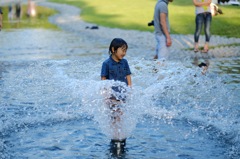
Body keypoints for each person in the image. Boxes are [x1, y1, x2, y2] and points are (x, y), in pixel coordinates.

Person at [101, 38, 132, 143]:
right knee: (114, 115)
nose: (124, 53)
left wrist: (130, 87)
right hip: (112, 95)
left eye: (125, 50)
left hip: (123, 94)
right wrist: (105, 94)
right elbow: (103, 79)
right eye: (122, 50)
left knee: (120, 114)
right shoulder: (106, 63)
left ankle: (119, 133)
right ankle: (115, 135)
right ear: (114, 49)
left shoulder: (125, 62)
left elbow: (128, 75)